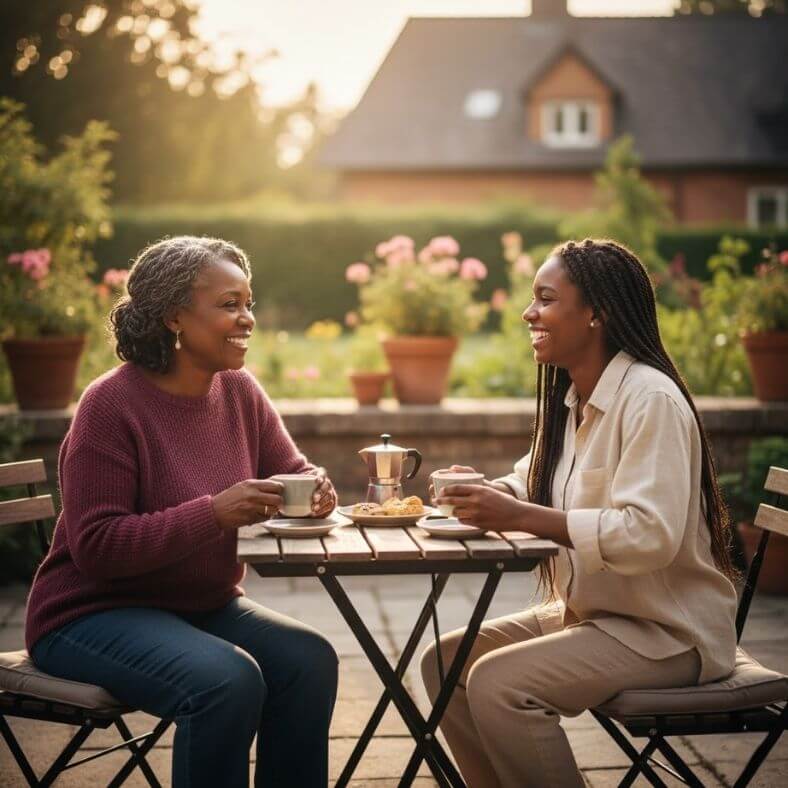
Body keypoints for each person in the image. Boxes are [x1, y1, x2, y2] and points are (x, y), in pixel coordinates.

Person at [423, 238, 738, 788]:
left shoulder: (650, 400)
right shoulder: (574, 400)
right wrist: (479, 491)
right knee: (444, 664)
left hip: (666, 631)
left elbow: (649, 536)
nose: (529, 312)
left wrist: (519, 515)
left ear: (596, 312)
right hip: (595, 612)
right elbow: (532, 481)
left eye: (545, 299)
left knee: (499, 683)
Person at [26, 236, 339, 788]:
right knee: (228, 680)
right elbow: (96, 547)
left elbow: (292, 467)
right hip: (89, 614)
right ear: (174, 315)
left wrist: (316, 487)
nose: (246, 319)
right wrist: (212, 514)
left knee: (308, 661)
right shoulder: (109, 406)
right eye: (228, 305)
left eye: (249, 304)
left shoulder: (239, 391)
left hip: (199, 605)